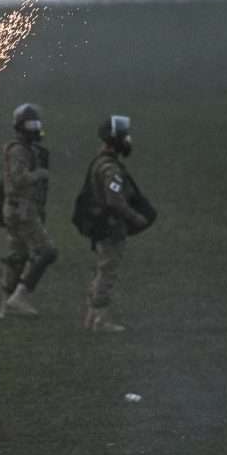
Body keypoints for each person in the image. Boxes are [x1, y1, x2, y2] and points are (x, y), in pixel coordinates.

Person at [83, 115, 154, 332]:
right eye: (124, 137)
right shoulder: (110, 169)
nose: (128, 141)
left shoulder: (101, 163)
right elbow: (114, 200)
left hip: (104, 226)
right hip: (111, 227)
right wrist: (134, 217)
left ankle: (91, 317)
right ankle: (100, 321)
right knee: (107, 272)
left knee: (102, 270)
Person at [0, 103, 57, 318]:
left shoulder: (25, 149)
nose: (35, 128)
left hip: (17, 210)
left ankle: (6, 306)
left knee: (18, 256)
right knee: (47, 251)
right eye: (31, 125)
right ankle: (20, 296)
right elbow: (18, 178)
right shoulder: (18, 151)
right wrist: (39, 175)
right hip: (23, 211)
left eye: (37, 124)